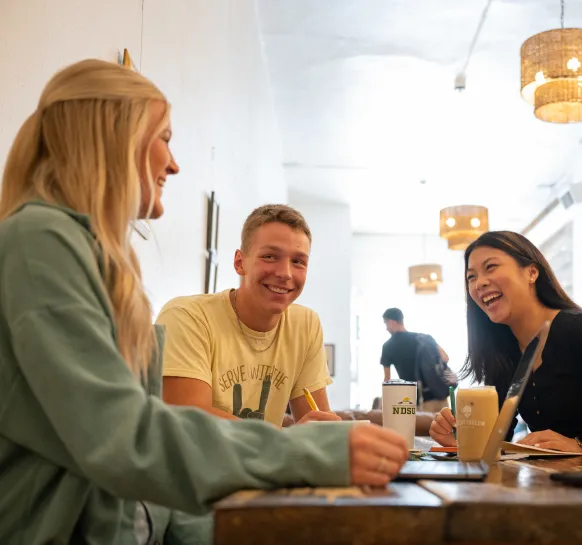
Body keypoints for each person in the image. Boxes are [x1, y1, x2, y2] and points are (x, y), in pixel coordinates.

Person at [0, 59, 407, 545]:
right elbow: (125, 436)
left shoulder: (83, 252)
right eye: (165, 138)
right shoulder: (40, 239)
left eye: (298, 262)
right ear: (113, 138)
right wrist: (306, 449)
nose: (173, 163)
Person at [429, 231, 582, 462]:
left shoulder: (581, 329)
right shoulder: (504, 349)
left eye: (491, 267)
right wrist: (462, 439)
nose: (479, 283)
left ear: (531, 272)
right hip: (555, 481)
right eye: (471, 277)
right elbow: (497, 436)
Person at [156, 204, 339, 427]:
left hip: (265, 461)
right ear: (240, 262)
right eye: (270, 256)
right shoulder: (185, 317)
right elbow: (191, 425)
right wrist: (287, 441)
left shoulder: (305, 325)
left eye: (298, 261)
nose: (285, 273)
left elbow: (319, 429)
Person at [381, 307, 453, 412]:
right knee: (445, 427)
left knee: (424, 428)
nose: (386, 328)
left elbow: (387, 380)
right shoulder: (425, 338)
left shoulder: (388, 346)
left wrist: (385, 405)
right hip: (441, 396)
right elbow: (445, 358)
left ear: (391, 322)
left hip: (420, 401)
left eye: (385, 323)